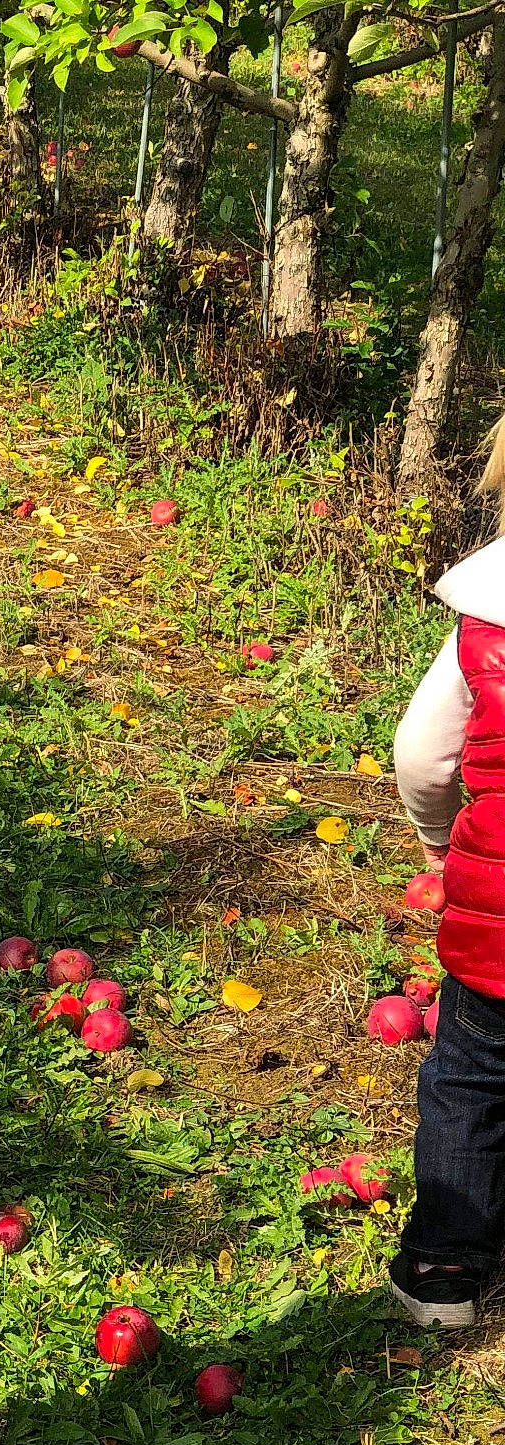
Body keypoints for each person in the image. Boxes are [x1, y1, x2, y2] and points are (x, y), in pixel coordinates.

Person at [391, 415, 505, 1328]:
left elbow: (424, 756)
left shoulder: (486, 612)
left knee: (469, 1076)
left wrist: (440, 844)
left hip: (496, 915)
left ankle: (444, 1275)